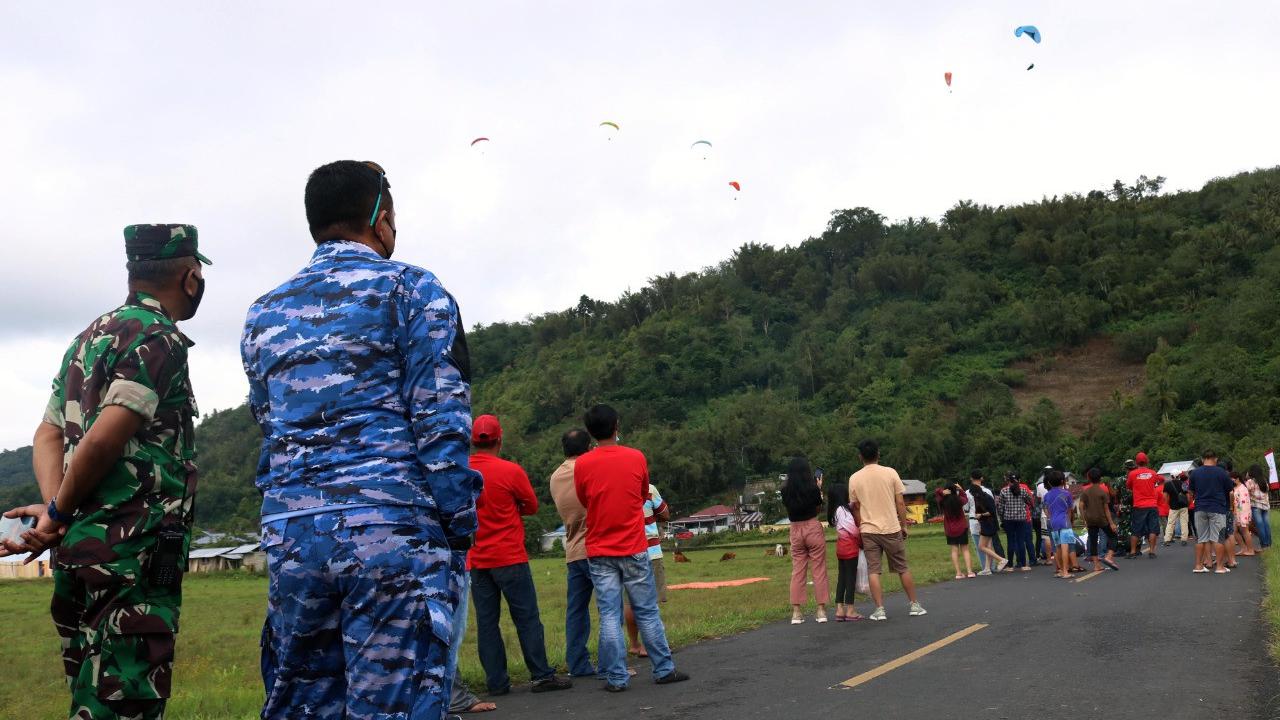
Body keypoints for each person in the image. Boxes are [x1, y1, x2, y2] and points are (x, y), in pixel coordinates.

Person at [241, 161, 481, 718]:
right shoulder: (412, 289)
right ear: (383, 218)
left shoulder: (263, 313)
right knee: (394, 704)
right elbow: (440, 417)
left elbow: (268, 421)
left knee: (304, 704)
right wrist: (458, 527)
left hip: (292, 538)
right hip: (390, 532)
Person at [0, 224, 207, 720]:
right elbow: (104, 437)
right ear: (191, 277)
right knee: (125, 702)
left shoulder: (88, 338)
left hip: (80, 556)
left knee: (91, 699)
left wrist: (57, 516)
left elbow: (50, 433)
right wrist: (56, 512)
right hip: (129, 560)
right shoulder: (159, 338)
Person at [574, 404, 688, 692]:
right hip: (634, 546)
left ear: (590, 432)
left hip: (600, 549)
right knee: (647, 610)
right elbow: (642, 495)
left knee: (609, 614)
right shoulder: (636, 457)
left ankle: (616, 677)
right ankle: (663, 669)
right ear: (616, 426)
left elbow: (585, 499)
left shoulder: (583, 464)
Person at [468, 415, 573, 695]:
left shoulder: (462, 470)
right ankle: (540, 675)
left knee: (487, 623)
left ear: (472, 440)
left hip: (476, 559)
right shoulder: (510, 471)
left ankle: (496, 683)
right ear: (499, 439)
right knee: (526, 617)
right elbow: (532, 506)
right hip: (510, 555)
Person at [848, 440, 926, 621]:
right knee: (902, 567)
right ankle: (914, 604)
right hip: (891, 527)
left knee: (874, 570)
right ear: (878, 454)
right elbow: (900, 502)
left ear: (860, 456)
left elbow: (856, 507)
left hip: (868, 530)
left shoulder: (854, 478)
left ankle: (880, 609)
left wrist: (861, 526)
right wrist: (904, 525)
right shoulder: (890, 473)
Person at [549, 428, 598, 678]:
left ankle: (578, 664)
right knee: (608, 608)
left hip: (573, 550)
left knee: (576, 611)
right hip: (597, 548)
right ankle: (614, 663)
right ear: (587, 447)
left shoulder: (555, 476)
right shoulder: (589, 468)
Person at [781, 456, 830, 623]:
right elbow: (817, 508)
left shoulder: (785, 490)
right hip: (812, 527)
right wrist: (819, 489)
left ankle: (796, 612)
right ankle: (821, 611)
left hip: (795, 529)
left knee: (798, 571)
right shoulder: (813, 488)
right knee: (819, 569)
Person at [1189, 450, 1234, 574]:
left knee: (1200, 538)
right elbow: (1229, 490)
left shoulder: (1195, 473)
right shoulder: (1222, 473)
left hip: (1200, 508)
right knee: (1218, 538)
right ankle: (1219, 567)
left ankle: (1198, 565)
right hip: (1217, 508)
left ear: (1202, 459)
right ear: (1216, 459)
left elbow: (1191, 492)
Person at [829, 481, 863, 621]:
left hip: (841, 548)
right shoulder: (843, 511)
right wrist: (862, 534)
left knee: (841, 578)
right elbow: (852, 529)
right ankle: (850, 610)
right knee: (850, 578)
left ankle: (839, 609)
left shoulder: (836, 510)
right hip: (850, 548)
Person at [1079, 468, 1120, 572]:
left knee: (1093, 541)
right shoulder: (1103, 492)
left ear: (1088, 478)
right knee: (1113, 536)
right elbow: (1106, 510)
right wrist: (1111, 523)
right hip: (1102, 519)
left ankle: (1096, 565)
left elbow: (1081, 506)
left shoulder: (1086, 492)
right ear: (1100, 478)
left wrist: (1084, 519)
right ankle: (1108, 557)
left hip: (1090, 519)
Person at [969, 474, 1007, 575]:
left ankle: (1001, 559)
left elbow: (991, 511)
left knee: (981, 546)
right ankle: (987, 568)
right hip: (988, 523)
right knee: (988, 546)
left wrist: (980, 515)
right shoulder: (984, 496)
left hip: (988, 524)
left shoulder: (984, 498)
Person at [996, 472, 1035, 572]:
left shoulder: (1004, 491)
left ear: (1008, 481)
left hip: (1008, 519)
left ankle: (1010, 566)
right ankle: (1024, 565)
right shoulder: (1022, 490)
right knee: (1021, 541)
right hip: (1021, 518)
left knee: (1010, 541)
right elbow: (1030, 502)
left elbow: (1000, 507)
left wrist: (1002, 517)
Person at [1126, 452, 1161, 558]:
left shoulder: (1132, 474)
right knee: (1153, 529)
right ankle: (1152, 551)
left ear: (1136, 462)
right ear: (1147, 461)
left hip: (1139, 505)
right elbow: (1156, 483)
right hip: (1152, 505)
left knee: (1136, 529)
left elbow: (1128, 486)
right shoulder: (1153, 473)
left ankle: (1132, 552)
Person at [1042, 469, 1076, 578]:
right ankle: (1066, 572)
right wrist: (1070, 522)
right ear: (1062, 481)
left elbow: (1047, 511)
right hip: (1064, 521)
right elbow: (1070, 510)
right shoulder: (1066, 493)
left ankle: (1061, 570)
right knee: (1065, 546)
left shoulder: (1047, 495)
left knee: (1058, 547)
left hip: (1053, 522)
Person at [936, 481, 974, 579]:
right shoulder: (959, 499)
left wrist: (942, 491)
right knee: (965, 549)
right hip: (962, 527)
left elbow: (936, 491)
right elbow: (965, 498)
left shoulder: (942, 501)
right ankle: (969, 572)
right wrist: (960, 489)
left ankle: (958, 573)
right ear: (954, 490)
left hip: (949, 529)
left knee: (954, 550)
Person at [1231, 472, 1255, 557]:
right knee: (1234, 531)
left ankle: (1250, 550)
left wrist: (1241, 516)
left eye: (1232, 478)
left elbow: (1244, 503)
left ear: (1237, 478)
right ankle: (1244, 548)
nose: (1231, 480)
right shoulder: (1236, 487)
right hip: (1238, 512)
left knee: (1245, 531)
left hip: (1242, 512)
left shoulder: (1242, 488)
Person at [1248, 465, 1272, 551]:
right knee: (1266, 525)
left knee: (1260, 526)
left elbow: (1246, 492)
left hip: (1256, 506)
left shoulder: (1250, 481)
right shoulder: (1264, 480)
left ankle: (1264, 545)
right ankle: (1269, 544)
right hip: (1265, 506)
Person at [1163, 472, 1190, 546]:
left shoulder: (1167, 484)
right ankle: (1184, 539)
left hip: (1173, 506)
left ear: (1171, 476)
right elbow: (1188, 494)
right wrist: (1188, 504)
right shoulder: (1183, 483)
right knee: (1184, 523)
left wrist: (1169, 503)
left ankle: (1167, 539)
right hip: (1183, 506)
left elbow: (1165, 496)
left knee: (1170, 523)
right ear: (1178, 476)